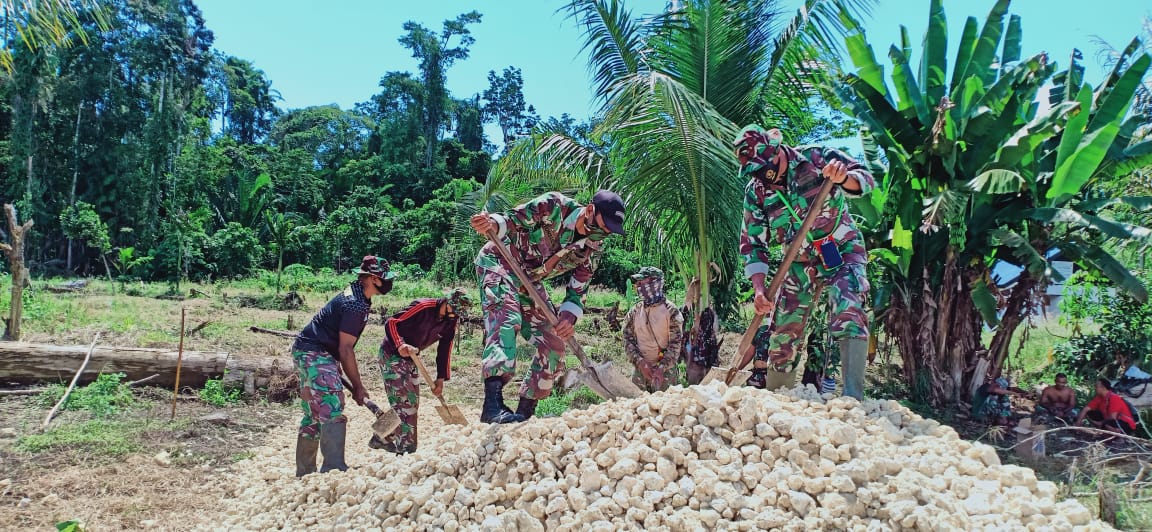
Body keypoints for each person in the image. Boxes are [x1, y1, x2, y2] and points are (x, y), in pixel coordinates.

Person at [733, 124, 875, 399]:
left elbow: (865, 179)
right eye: (754, 172)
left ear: (778, 153)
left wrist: (843, 178)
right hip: (797, 262)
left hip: (840, 249)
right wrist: (760, 289)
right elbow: (753, 244)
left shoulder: (816, 158)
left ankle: (853, 400)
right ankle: (780, 399)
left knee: (847, 302)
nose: (762, 177)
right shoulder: (757, 192)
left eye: (764, 168)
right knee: (784, 327)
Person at [470, 190, 626, 423]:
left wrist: (567, 319)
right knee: (506, 318)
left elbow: (579, 287)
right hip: (501, 261)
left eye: (610, 230)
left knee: (554, 343)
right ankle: (492, 405)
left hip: (530, 281)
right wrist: (491, 223)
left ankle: (524, 413)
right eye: (605, 225)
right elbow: (513, 220)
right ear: (591, 210)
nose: (604, 233)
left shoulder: (594, 246)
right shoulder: (554, 205)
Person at [292, 255, 395, 477]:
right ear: (370, 278)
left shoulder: (358, 296)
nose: (388, 283)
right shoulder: (355, 304)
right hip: (315, 352)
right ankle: (333, 468)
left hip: (307, 349)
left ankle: (305, 473)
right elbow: (346, 349)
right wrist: (358, 386)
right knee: (331, 405)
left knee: (314, 411)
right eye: (383, 278)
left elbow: (339, 344)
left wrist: (333, 366)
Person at [369, 288, 473, 454]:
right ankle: (406, 450)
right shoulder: (423, 307)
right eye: (454, 310)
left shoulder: (450, 321)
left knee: (411, 403)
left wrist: (440, 378)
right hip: (392, 354)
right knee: (406, 403)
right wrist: (400, 344)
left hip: (411, 358)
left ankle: (380, 436)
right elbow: (392, 322)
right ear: (446, 302)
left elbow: (445, 349)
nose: (455, 315)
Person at [622, 267, 684, 393]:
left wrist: (661, 368)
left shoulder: (671, 311)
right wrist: (640, 363)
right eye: (637, 283)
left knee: (666, 408)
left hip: (665, 373)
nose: (638, 286)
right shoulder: (635, 311)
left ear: (655, 283)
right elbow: (627, 340)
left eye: (641, 282)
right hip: (641, 371)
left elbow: (675, 344)